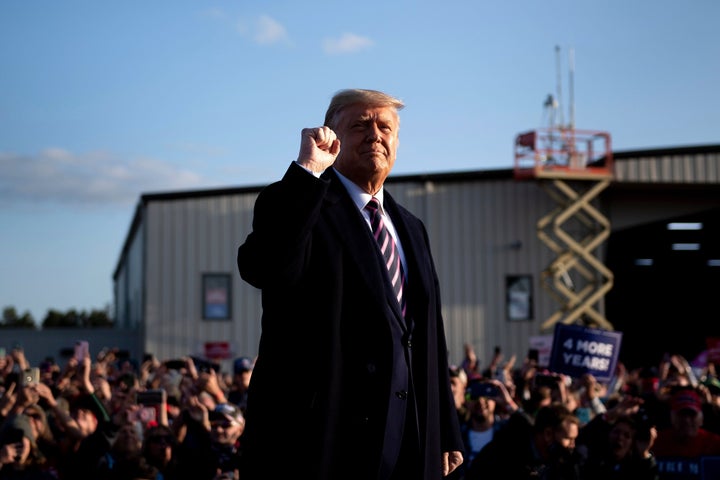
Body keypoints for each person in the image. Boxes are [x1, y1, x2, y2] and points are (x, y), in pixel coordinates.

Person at [236, 88, 464, 480]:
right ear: (332, 137)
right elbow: (266, 268)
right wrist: (308, 171)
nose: (375, 135)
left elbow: (429, 336)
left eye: (385, 127)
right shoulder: (299, 201)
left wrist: (445, 429)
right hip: (320, 441)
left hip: (408, 437)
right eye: (360, 125)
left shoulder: (411, 227)